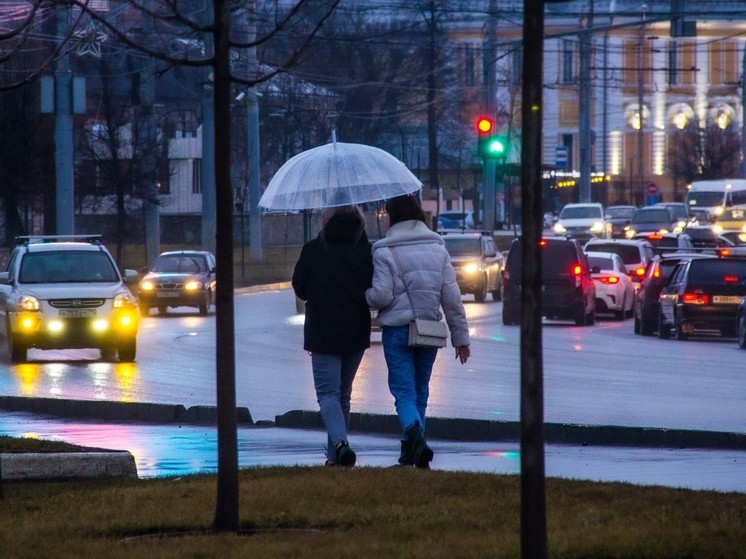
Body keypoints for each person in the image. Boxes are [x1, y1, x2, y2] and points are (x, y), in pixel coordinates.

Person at [366, 194, 471, 469]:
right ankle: (411, 449)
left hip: (398, 331)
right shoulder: (438, 249)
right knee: (420, 391)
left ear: (393, 218)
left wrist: (363, 295)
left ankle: (416, 440)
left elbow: (380, 296)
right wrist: (461, 339)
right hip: (429, 330)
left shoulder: (383, 251)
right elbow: (452, 299)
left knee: (403, 392)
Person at [292, 205, 373, 467]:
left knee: (328, 395)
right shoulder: (365, 251)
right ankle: (334, 457)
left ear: (326, 220)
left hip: (323, 331)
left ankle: (340, 444)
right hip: (356, 330)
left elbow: (300, 288)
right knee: (343, 395)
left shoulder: (315, 249)